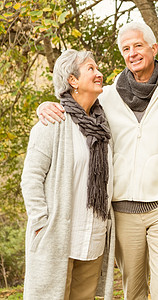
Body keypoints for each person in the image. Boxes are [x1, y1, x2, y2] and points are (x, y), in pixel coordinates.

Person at [38, 22, 158, 300]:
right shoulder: (106, 96)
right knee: (133, 290)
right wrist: (45, 105)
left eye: (138, 45)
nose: (132, 53)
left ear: (154, 48)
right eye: (126, 49)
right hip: (122, 212)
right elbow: (73, 106)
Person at [21, 49, 115, 299]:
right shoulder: (52, 123)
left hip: (92, 238)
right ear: (72, 80)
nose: (99, 73)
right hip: (58, 239)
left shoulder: (102, 128)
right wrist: (41, 223)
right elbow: (31, 178)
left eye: (97, 68)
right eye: (91, 69)